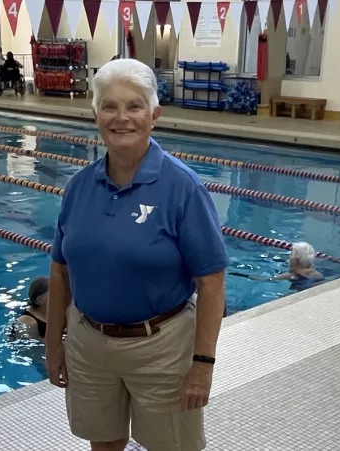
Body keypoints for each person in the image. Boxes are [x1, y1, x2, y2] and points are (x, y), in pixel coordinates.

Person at [45, 58, 228, 451]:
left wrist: (203, 365)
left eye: (134, 106)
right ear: (95, 115)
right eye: (109, 106)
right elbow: (60, 271)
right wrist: (54, 344)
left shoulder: (183, 188)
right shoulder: (79, 186)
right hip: (89, 343)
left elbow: (211, 282)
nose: (121, 117)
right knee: (104, 444)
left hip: (161, 345)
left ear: (154, 115)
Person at [230, 242, 325, 292]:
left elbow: (265, 280)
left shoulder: (291, 275)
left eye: (291, 253)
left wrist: (244, 275)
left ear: (296, 259)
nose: (289, 256)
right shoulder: (316, 273)